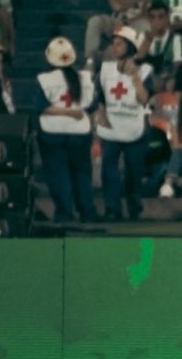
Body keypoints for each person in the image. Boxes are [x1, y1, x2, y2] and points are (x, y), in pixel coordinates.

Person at [95, 27, 153, 220]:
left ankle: (134, 206)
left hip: (134, 127)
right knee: (108, 169)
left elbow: (144, 98)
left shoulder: (145, 70)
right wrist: (101, 111)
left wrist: (134, 76)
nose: (115, 46)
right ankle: (112, 209)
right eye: (114, 42)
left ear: (130, 47)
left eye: (119, 43)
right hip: (111, 126)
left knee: (133, 171)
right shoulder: (105, 68)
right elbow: (101, 95)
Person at [36, 36, 96, 222]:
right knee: (81, 173)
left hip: (52, 133)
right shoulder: (85, 77)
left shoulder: (43, 79)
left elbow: (41, 106)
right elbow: (91, 105)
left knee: (58, 174)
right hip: (80, 132)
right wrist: (72, 113)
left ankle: (64, 213)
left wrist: (64, 112)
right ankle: (87, 212)